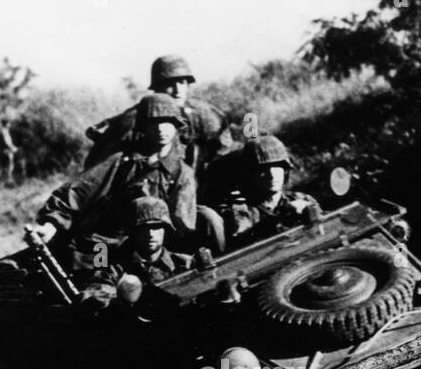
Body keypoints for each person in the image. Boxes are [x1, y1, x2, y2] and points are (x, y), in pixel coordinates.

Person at [29, 93, 199, 278]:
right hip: (107, 243)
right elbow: (78, 190)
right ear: (143, 126)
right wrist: (51, 224)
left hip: (150, 248)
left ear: (176, 126)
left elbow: (183, 225)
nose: (160, 128)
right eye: (154, 122)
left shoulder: (183, 173)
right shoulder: (122, 161)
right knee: (97, 278)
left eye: (167, 121)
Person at [84, 55, 230, 184]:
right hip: (146, 189)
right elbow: (98, 163)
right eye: (170, 84)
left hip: (192, 188)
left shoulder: (203, 114)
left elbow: (223, 152)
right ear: (157, 87)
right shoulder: (133, 118)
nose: (177, 89)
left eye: (182, 82)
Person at [217, 135, 320, 248]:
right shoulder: (242, 211)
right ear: (251, 175)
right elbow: (241, 251)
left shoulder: (301, 199)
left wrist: (311, 213)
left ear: (285, 169)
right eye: (263, 169)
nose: (271, 174)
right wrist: (279, 220)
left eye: (276, 166)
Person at [0, 120, 19, 186]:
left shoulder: (3, 131)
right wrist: (13, 148)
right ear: (6, 124)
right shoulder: (4, 131)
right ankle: (9, 180)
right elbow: (7, 142)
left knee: (7, 165)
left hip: (4, 149)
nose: (10, 124)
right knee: (10, 164)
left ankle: (6, 180)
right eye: (8, 123)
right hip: (7, 150)